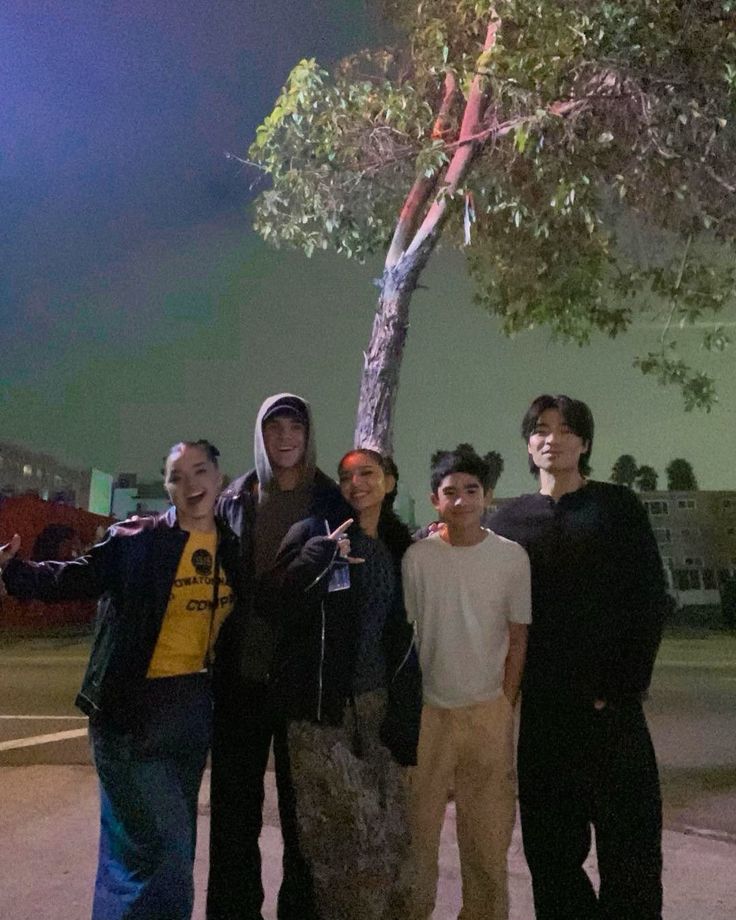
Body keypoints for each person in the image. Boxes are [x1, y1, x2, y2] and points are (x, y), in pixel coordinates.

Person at [0, 440, 243, 920]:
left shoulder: (233, 547)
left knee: (149, 849)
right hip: (130, 711)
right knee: (164, 851)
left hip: (192, 708)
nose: (191, 484)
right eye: (178, 476)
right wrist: (15, 572)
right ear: (168, 487)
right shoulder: (137, 539)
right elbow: (77, 577)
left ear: (219, 478)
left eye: (200, 471)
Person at [490, 394, 668, 920]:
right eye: (542, 429)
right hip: (545, 715)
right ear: (529, 442)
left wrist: (622, 685)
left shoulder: (616, 507)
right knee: (551, 856)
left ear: (584, 443)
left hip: (611, 712)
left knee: (630, 851)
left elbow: (649, 597)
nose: (553, 438)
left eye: (566, 430)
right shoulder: (511, 521)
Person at [207, 393, 346, 920]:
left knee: (302, 819)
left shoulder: (330, 503)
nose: (285, 438)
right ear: (260, 434)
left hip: (302, 680)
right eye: (275, 428)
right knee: (234, 816)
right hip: (241, 675)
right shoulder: (236, 497)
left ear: (309, 436)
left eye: (296, 428)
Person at [271, 448, 422, 920]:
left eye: (368, 474)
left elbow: (399, 631)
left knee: (392, 837)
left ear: (391, 482)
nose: (356, 483)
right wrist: (320, 556)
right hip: (322, 711)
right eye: (346, 477)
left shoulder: (400, 547)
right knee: (346, 843)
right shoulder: (315, 531)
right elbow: (274, 600)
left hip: (378, 708)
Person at [402, 444, 531, 920]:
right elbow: (408, 636)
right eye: (450, 493)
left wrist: (504, 703)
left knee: (487, 841)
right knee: (417, 841)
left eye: (471, 491)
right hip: (430, 715)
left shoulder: (511, 558)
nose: (461, 501)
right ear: (436, 500)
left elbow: (518, 638)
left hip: (487, 714)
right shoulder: (418, 558)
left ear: (487, 496)